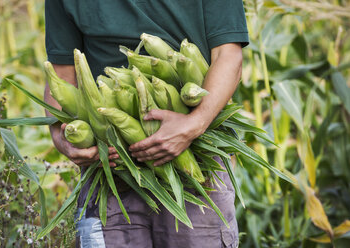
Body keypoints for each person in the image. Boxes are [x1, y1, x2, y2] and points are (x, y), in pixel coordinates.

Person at [44, 0, 249, 247]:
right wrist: (62, 139)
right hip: (110, 170)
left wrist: (194, 123)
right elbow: (61, 74)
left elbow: (228, 54)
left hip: (194, 163)